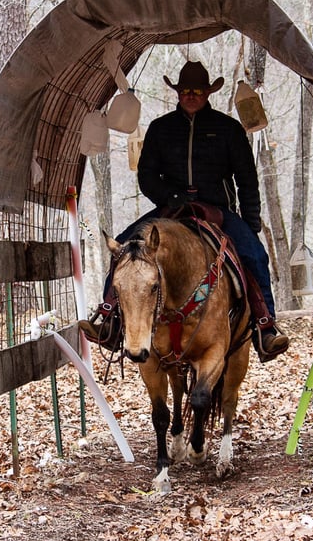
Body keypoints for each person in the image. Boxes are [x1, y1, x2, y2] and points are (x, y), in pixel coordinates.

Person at [79, 61, 289, 362]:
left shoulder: (227, 128)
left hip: (216, 209)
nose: (191, 96)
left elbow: (246, 179)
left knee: (255, 254)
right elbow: (147, 175)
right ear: (178, 92)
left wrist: (250, 222)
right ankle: (109, 320)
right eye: (186, 90)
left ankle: (265, 327)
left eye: (197, 91)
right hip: (170, 210)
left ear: (207, 93)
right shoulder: (161, 129)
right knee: (124, 249)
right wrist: (170, 196)